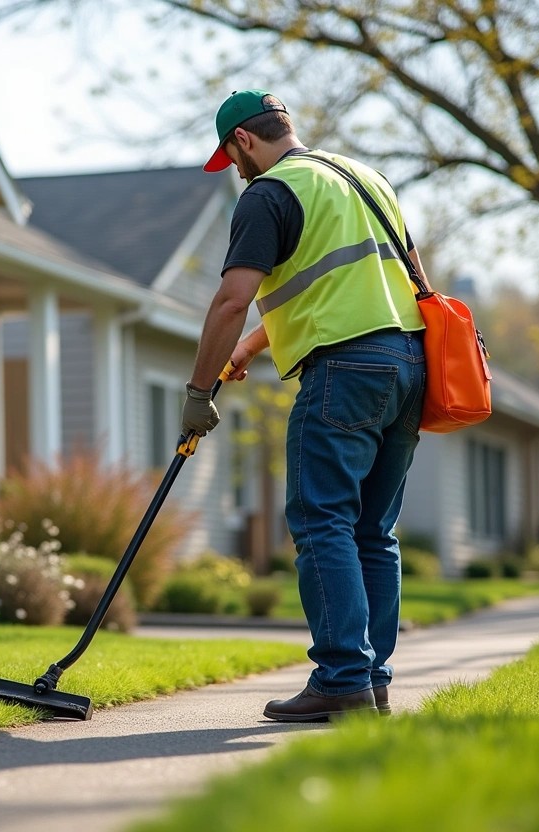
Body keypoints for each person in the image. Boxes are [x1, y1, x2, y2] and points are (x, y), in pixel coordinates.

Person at [181, 90, 431, 722]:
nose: (237, 171)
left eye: (232, 158)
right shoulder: (365, 180)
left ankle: (342, 678)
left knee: (323, 521)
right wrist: (248, 350)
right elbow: (367, 285)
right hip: (407, 366)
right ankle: (369, 681)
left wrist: (197, 391)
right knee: (373, 532)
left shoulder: (268, 195)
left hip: (341, 371)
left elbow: (232, 298)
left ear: (243, 140)